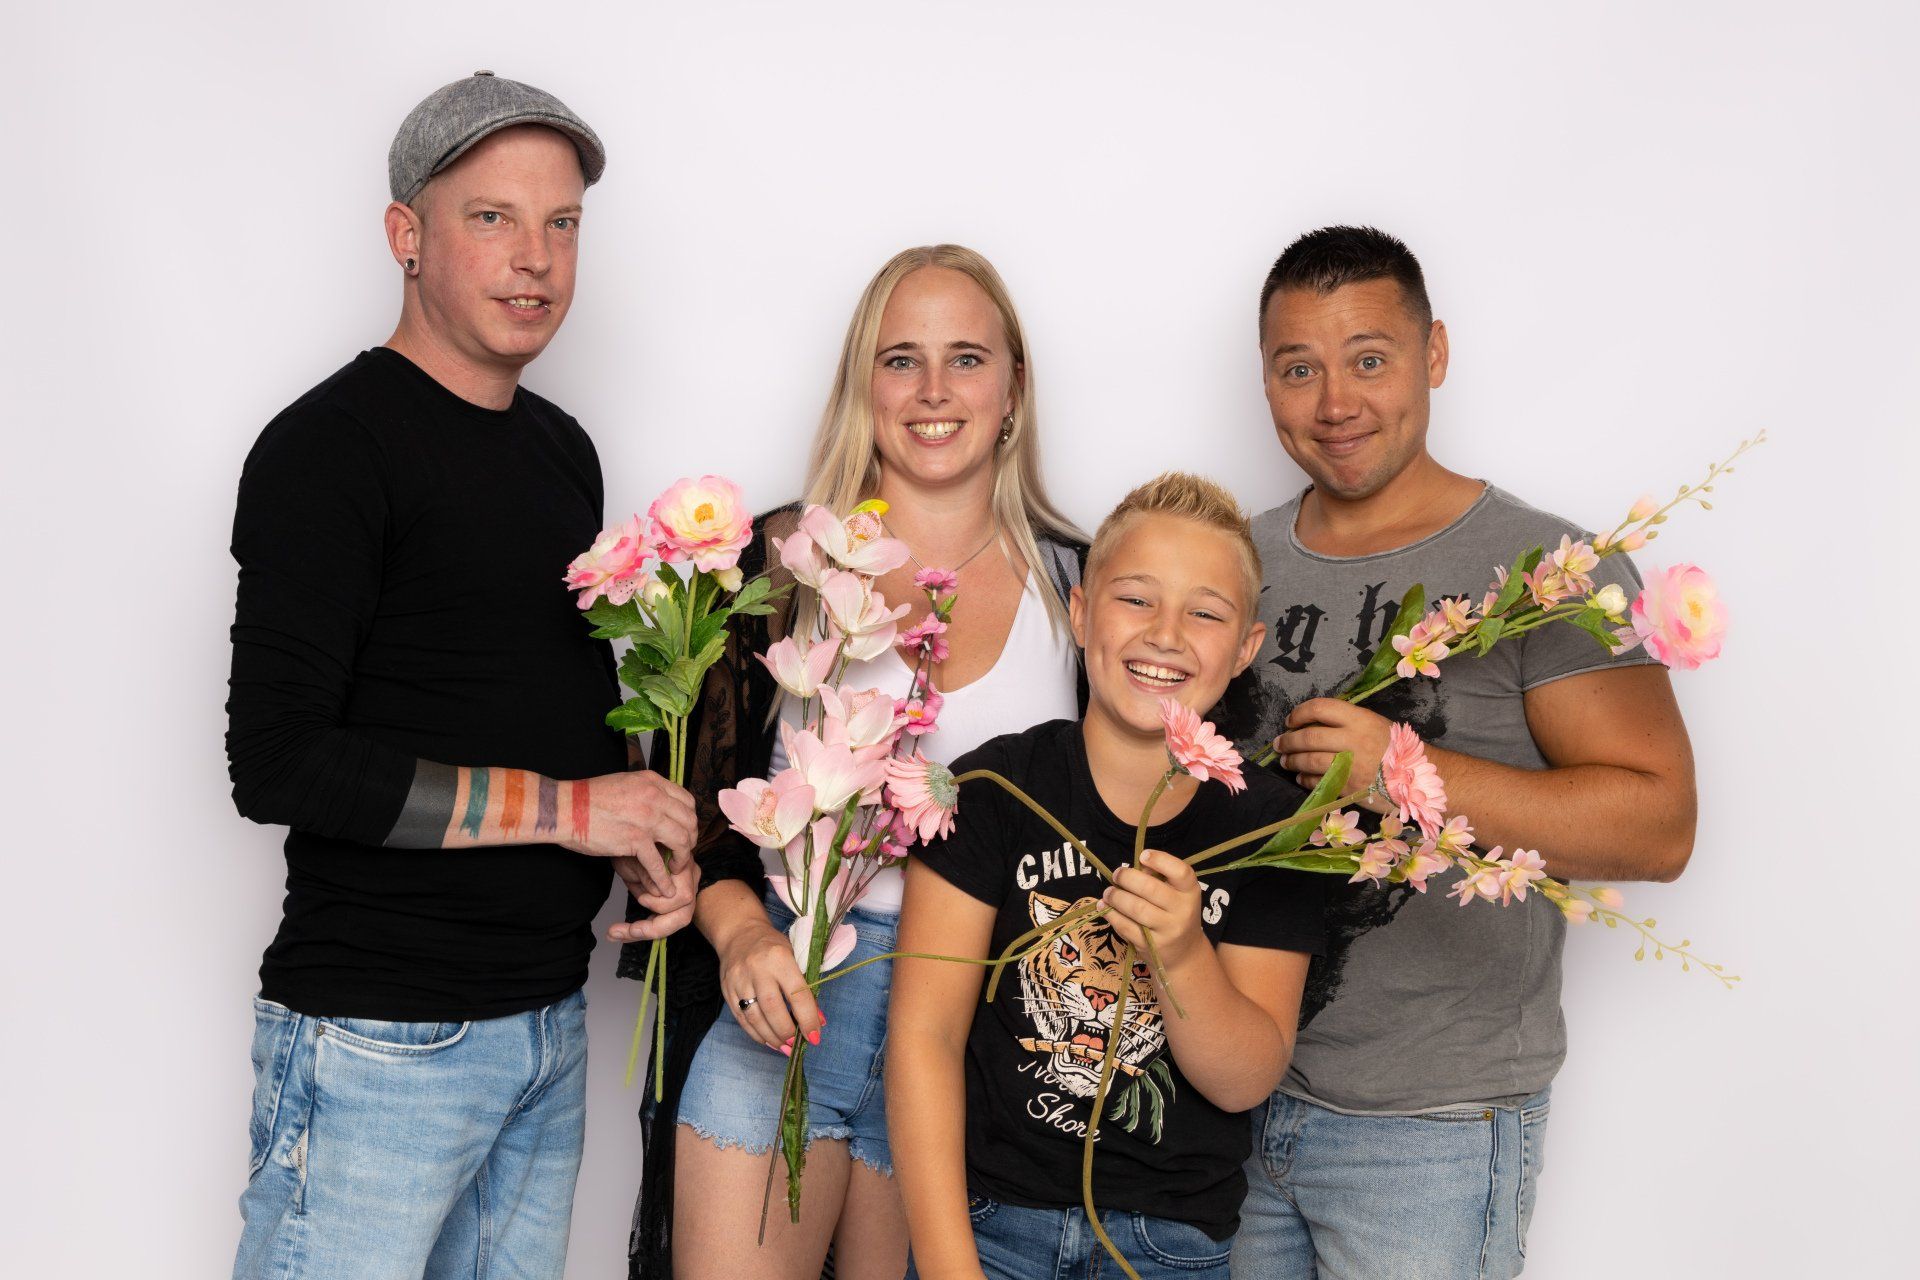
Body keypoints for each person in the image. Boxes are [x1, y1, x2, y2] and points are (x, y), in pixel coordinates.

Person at [225, 72, 699, 1280]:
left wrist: (643, 818)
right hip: (383, 1037)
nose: (533, 257)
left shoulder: (561, 448)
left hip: (545, 1026)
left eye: (562, 223)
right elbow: (278, 760)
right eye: (491, 217)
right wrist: (576, 809)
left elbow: (529, 685)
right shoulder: (326, 449)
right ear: (406, 236)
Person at [1217, 226, 1698, 1279]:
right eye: (1299, 368)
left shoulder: (1548, 569)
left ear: (1435, 353)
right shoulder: (1229, 561)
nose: (1335, 401)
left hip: (1429, 1125)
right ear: (1266, 382)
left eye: (1370, 358)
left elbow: (1658, 824)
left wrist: (1402, 771)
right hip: (1232, 1103)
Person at [628, 245, 1089, 1280]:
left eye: (967, 358)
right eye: (900, 360)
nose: (933, 392)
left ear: (1013, 387)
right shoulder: (769, 569)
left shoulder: (1089, 592)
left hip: (981, 1045)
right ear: (860, 385)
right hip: (791, 1006)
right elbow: (685, 810)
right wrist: (743, 927)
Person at [891, 473, 1329, 1280]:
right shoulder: (995, 789)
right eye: (1136, 599)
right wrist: (951, 1267)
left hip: (1166, 1246)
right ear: (1082, 610)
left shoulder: (1273, 829)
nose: (1166, 633)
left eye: (1204, 612)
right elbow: (925, 1037)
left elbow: (1245, 1080)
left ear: (1245, 649)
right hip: (989, 1226)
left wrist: (1182, 952)